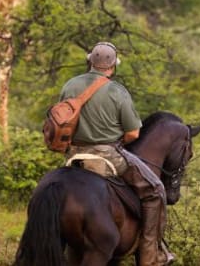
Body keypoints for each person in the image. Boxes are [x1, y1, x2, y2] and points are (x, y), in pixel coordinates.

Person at [61, 41, 174, 266]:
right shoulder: (117, 91)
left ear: (90, 61)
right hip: (108, 156)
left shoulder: (70, 86)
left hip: (73, 156)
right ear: (113, 67)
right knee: (155, 190)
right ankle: (151, 255)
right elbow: (133, 133)